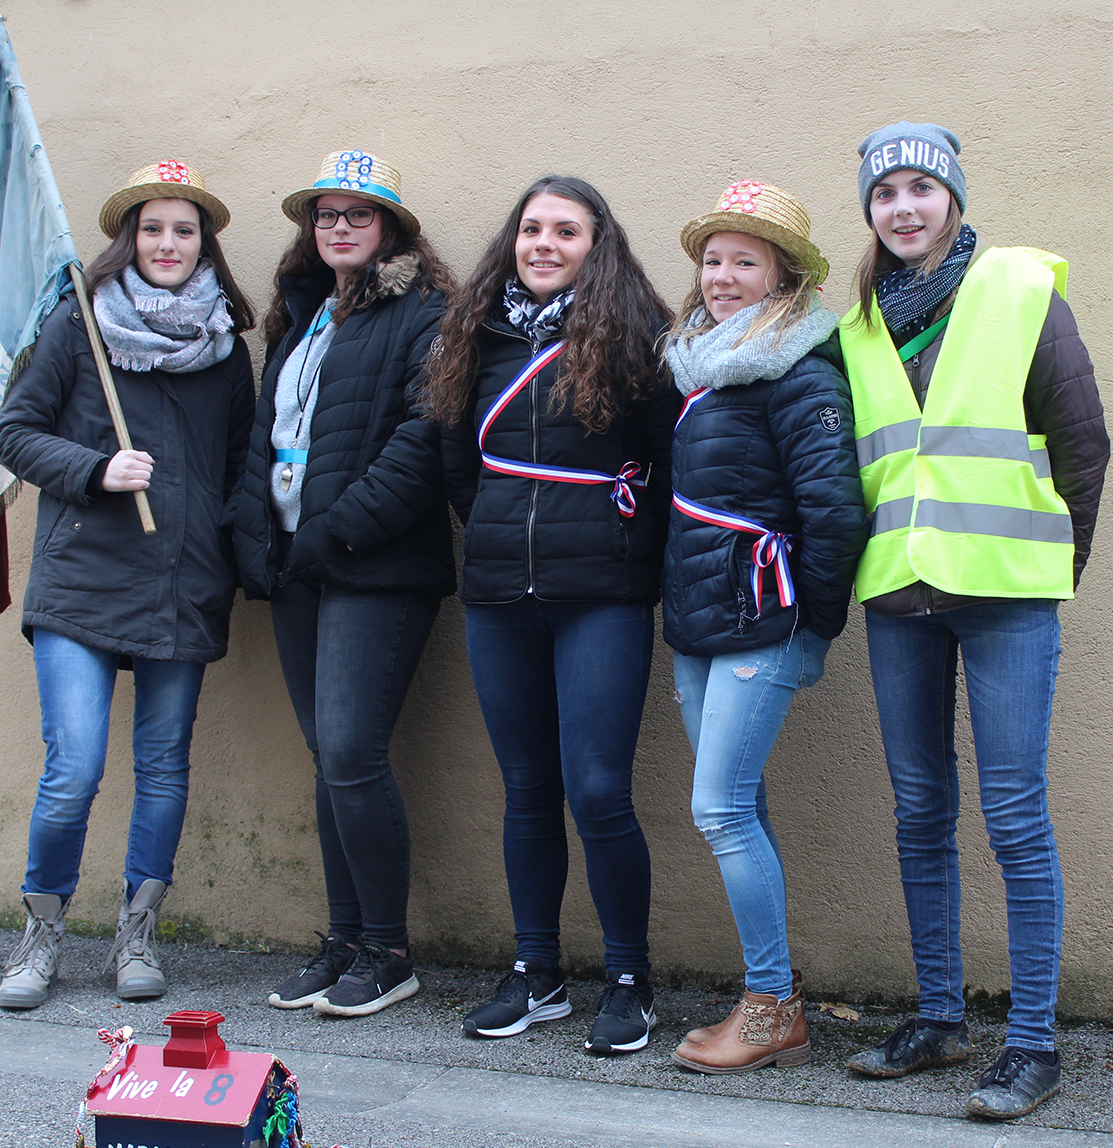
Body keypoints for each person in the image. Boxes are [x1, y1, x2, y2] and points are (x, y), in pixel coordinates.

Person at [837, 123, 1109, 1119]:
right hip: (900, 594)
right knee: (918, 809)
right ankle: (939, 1017)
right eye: (884, 193)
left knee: (1013, 813)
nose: (902, 206)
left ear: (952, 196)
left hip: (1004, 595)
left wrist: (1053, 562)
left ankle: (1031, 1042)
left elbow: (1082, 441)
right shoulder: (859, 323)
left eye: (920, 187)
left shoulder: (1018, 287)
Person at [0, 160, 256, 1009]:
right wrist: (95, 469)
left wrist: (229, 552)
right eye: (152, 228)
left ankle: (137, 936)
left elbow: (239, 467)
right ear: (129, 239)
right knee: (73, 769)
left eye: (184, 229)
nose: (167, 243)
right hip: (82, 580)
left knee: (164, 767)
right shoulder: (80, 323)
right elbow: (13, 432)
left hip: (183, 582)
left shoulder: (225, 348)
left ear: (203, 243)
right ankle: (40, 935)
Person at [424, 176, 677, 1053]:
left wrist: (623, 546)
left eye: (566, 231)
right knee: (527, 788)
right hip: (499, 595)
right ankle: (536, 970)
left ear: (597, 244)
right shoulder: (475, 334)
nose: (543, 244)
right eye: (531, 228)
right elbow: (457, 461)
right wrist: (500, 530)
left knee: (599, 790)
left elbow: (674, 461)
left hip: (601, 596)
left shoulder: (637, 337)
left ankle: (630, 979)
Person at [226, 151, 455, 1018]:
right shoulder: (301, 313)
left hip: (373, 563)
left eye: (360, 214)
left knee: (354, 751)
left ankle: (388, 952)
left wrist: (335, 530)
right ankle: (345, 939)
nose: (340, 227)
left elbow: (421, 442)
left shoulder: (423, 311)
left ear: (390, 228)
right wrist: (258, 535)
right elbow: (268, 432)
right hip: (298, 565)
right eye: (326, 214)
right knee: (330, 759)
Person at [659, 181, 866, 1074]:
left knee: (719, 808)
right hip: (699, 622)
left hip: (762, 621)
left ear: (784, 277)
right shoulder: (699, 366)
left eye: (745, 260)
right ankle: (772, 1000)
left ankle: (771, 1004)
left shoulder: (800, 369)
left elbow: (835, 514)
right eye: (713, 259)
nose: (722, 276)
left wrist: (811, 631)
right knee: (741, 804)